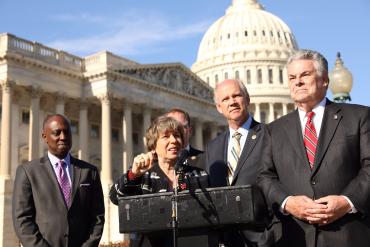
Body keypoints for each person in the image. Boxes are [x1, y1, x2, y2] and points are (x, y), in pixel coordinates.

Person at [257, 49, 370, 246]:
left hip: (348, 234)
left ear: (324, 80)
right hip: (295, 237)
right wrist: (287, 202)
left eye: (305, 75)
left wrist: (346, 201)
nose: (297, 81)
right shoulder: (273, 130)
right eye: (292, 77)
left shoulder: (359, 117)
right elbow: (265, 176)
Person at [109, 116, 209, 247]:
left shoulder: (198, 174)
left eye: (177, 136)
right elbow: (116, 197)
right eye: (166, 136)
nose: (174, 140)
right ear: (153, 146)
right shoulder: (144, 176)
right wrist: (133, 174)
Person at [200, 79, 278, 246]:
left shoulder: (270, 135)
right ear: (219, 108)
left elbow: (281, 185)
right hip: (227, 241)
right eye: (225, 99)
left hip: (263, 239)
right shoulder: (213, 147)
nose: (232, 102)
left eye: (236, 96)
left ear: (247, 99)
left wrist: (269, 237)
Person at [12, 114, 105, 247]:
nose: (63, 137)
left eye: (67, 132)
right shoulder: (28, 172)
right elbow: (22, 220)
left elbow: (97, 217)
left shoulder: (89, 172)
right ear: (45, 137)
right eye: (57, 133)